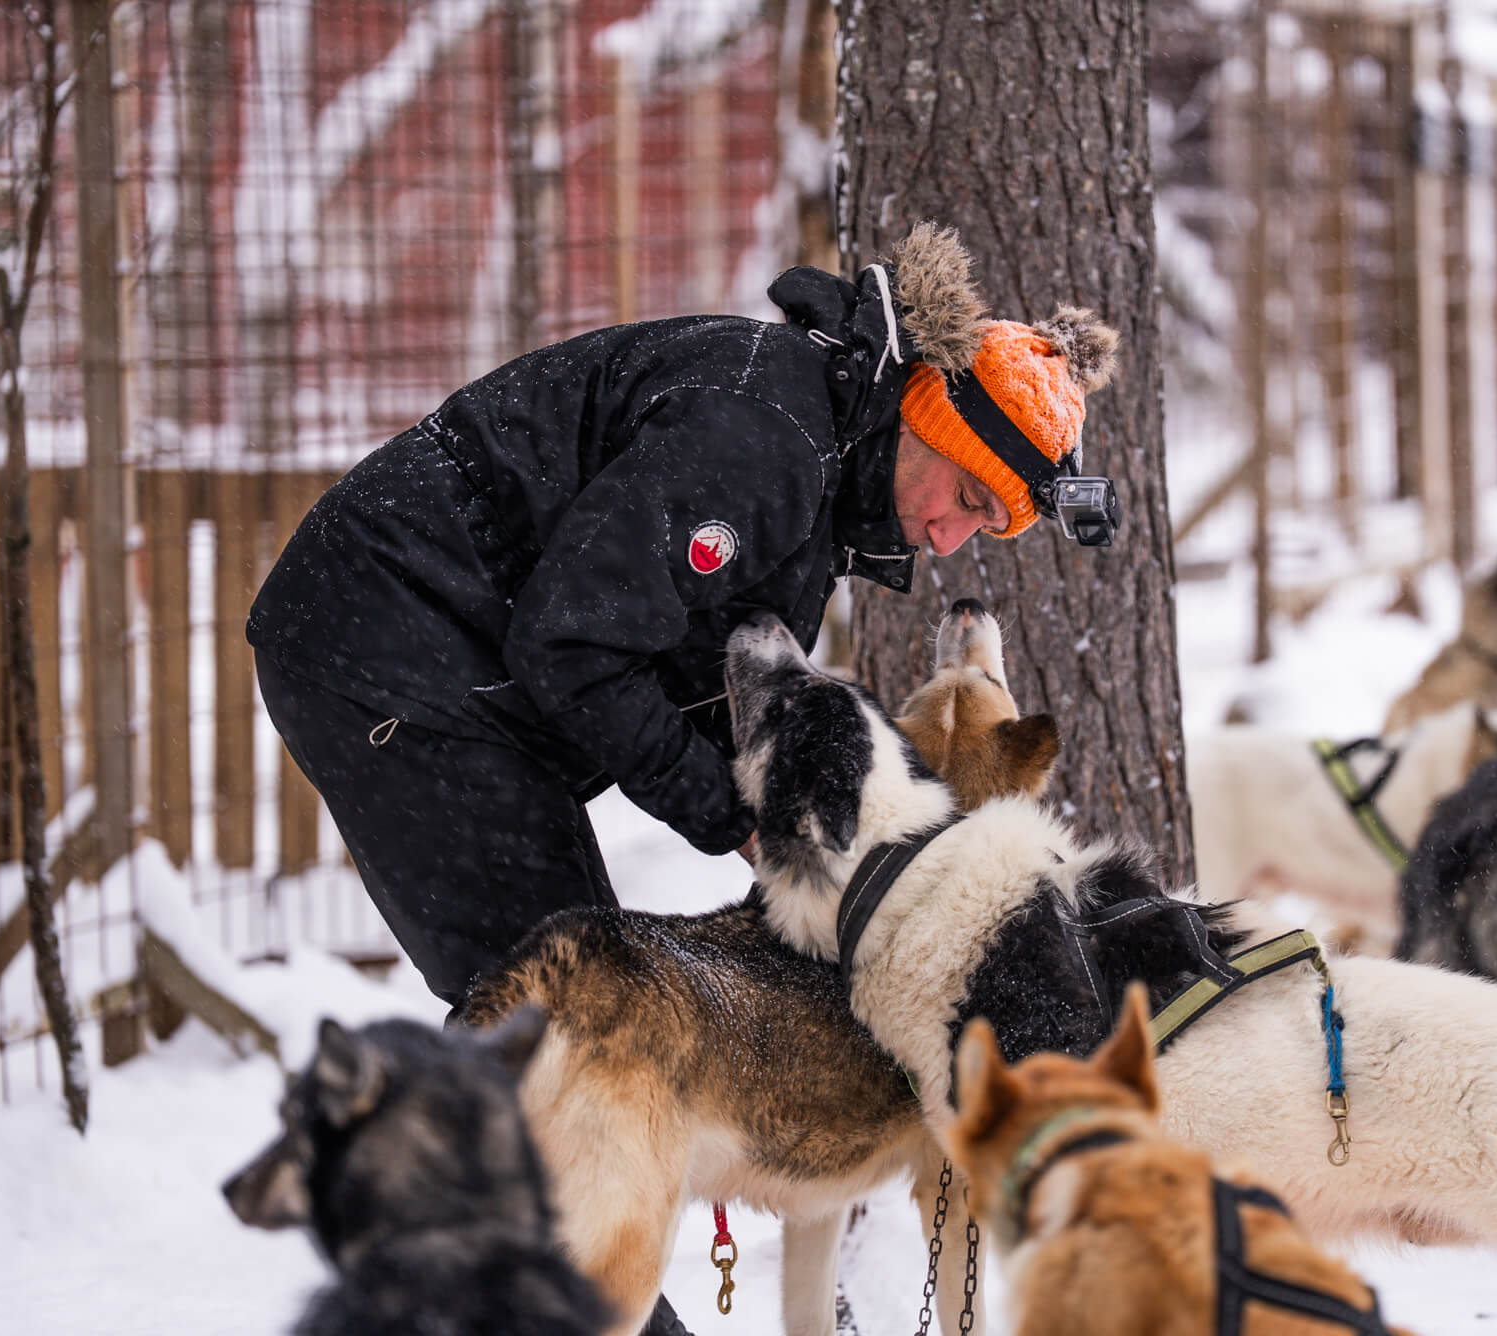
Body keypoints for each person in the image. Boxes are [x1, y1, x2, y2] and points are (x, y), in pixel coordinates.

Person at [248, 220, 1121, 1009]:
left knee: (581, 1001)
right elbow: (575, 642)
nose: (950, 537)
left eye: (987, 526)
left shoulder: (823, 459)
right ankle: (476, 1184)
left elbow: (682, 657)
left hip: (460, 652)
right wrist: (741, 822)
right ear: (924, 419)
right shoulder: (769, 444)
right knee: (565, 1012)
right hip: (386, 636)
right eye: (966, 497)